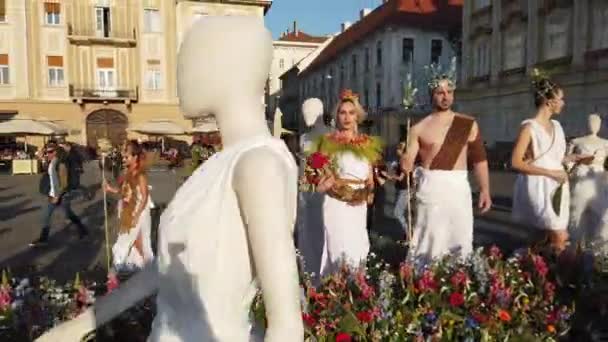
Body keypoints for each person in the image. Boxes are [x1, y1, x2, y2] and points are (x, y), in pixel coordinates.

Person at [36, 16, 303, 342]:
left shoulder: (257, 164)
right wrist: (80, 325)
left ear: (227, 67)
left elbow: (287, 326)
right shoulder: (220, 163)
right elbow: (165, 268)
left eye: (188, 59)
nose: (179, 76)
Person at [400, 66, 492, 265]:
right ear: (431, 95)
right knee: (429, 239)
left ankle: (458, 281)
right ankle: (424, 283)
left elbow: (479, 159)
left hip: (458, 189)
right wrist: (405, 160)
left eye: (449, 92)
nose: (445, 97)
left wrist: (485, 189)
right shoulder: (418, 128)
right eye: (440, 92)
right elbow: (408, 165)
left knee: (460, 236)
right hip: (431, 190)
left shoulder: (467, 124)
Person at [511, 71, 590, 253]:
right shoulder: (529, 127)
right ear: (549, 102)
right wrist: (551, 173)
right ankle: (560, 277)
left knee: (541, 238)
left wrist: (572, 159)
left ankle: (532, 272)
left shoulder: (558, 126)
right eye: (561, 99)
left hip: (558, 188)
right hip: (538, 185)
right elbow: (516, 162)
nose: (563, 103)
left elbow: (554, 159)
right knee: (560, 236)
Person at [313, 89, 383, 275]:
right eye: (342, 112)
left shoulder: (367, 143)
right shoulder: (327, 142)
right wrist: (325, 186)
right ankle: (333, 293)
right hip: (336, 204)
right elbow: (315, 175)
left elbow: (370, 180)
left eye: (351, 113)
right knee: (336, 249)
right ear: (336, 115)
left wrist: (366, 195)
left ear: (357, 116)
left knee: (358, 249)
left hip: (358, 206)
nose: (347, 117)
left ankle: (355, 295)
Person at [104, 140, 154, 273]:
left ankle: (118, 268)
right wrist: (110, 189)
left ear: (135, 157)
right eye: (124, 157)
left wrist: (136, 215)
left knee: (128, 241)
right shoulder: (127, 173)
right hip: (127, 210)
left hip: (138, 211)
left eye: (127, 157)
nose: (124, 160)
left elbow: (144, 197)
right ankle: (141, 268)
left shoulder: (141, 175)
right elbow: (125, 191)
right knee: (136, 242)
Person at [30, 142, 89, 247]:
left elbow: (64, 183)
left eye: (50, 152)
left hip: (60, 195)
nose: (48, 154)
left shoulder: (61, 163)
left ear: (56, 152)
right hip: (54, 194)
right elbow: (47, 172)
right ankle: (83, 230)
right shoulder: (51, 162)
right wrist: (41, 157)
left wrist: (57, 196)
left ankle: (44, 239)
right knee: (57, 215)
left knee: (55, 215)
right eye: (47, 152)